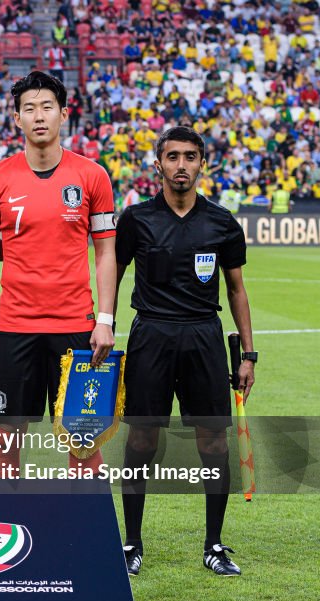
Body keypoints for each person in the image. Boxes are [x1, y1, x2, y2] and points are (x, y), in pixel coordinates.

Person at [115, 126, 256, 577]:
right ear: (157, 164)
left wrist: (248, 354)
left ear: (202, 164)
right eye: (172, 156)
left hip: (203, 337)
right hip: (150, 336)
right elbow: (110, 277)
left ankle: (214, 545)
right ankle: (131, 544)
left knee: (213, 441)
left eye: (190, 157)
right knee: (141, 440)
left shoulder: (221, 221)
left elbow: (236, 289)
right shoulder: (136, 218)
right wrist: (99, 326)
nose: (181, 165)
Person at [0, 70, 117, 474]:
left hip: (76, 327)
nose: (39, 116)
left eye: (47, 107)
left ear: (63, 114)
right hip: (15, 327)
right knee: (4, 440)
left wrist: (105, 319)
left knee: (83, 441)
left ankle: (87, 534)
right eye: (29, 108)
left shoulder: (93, 176)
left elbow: (106, 253)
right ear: (16, 117)